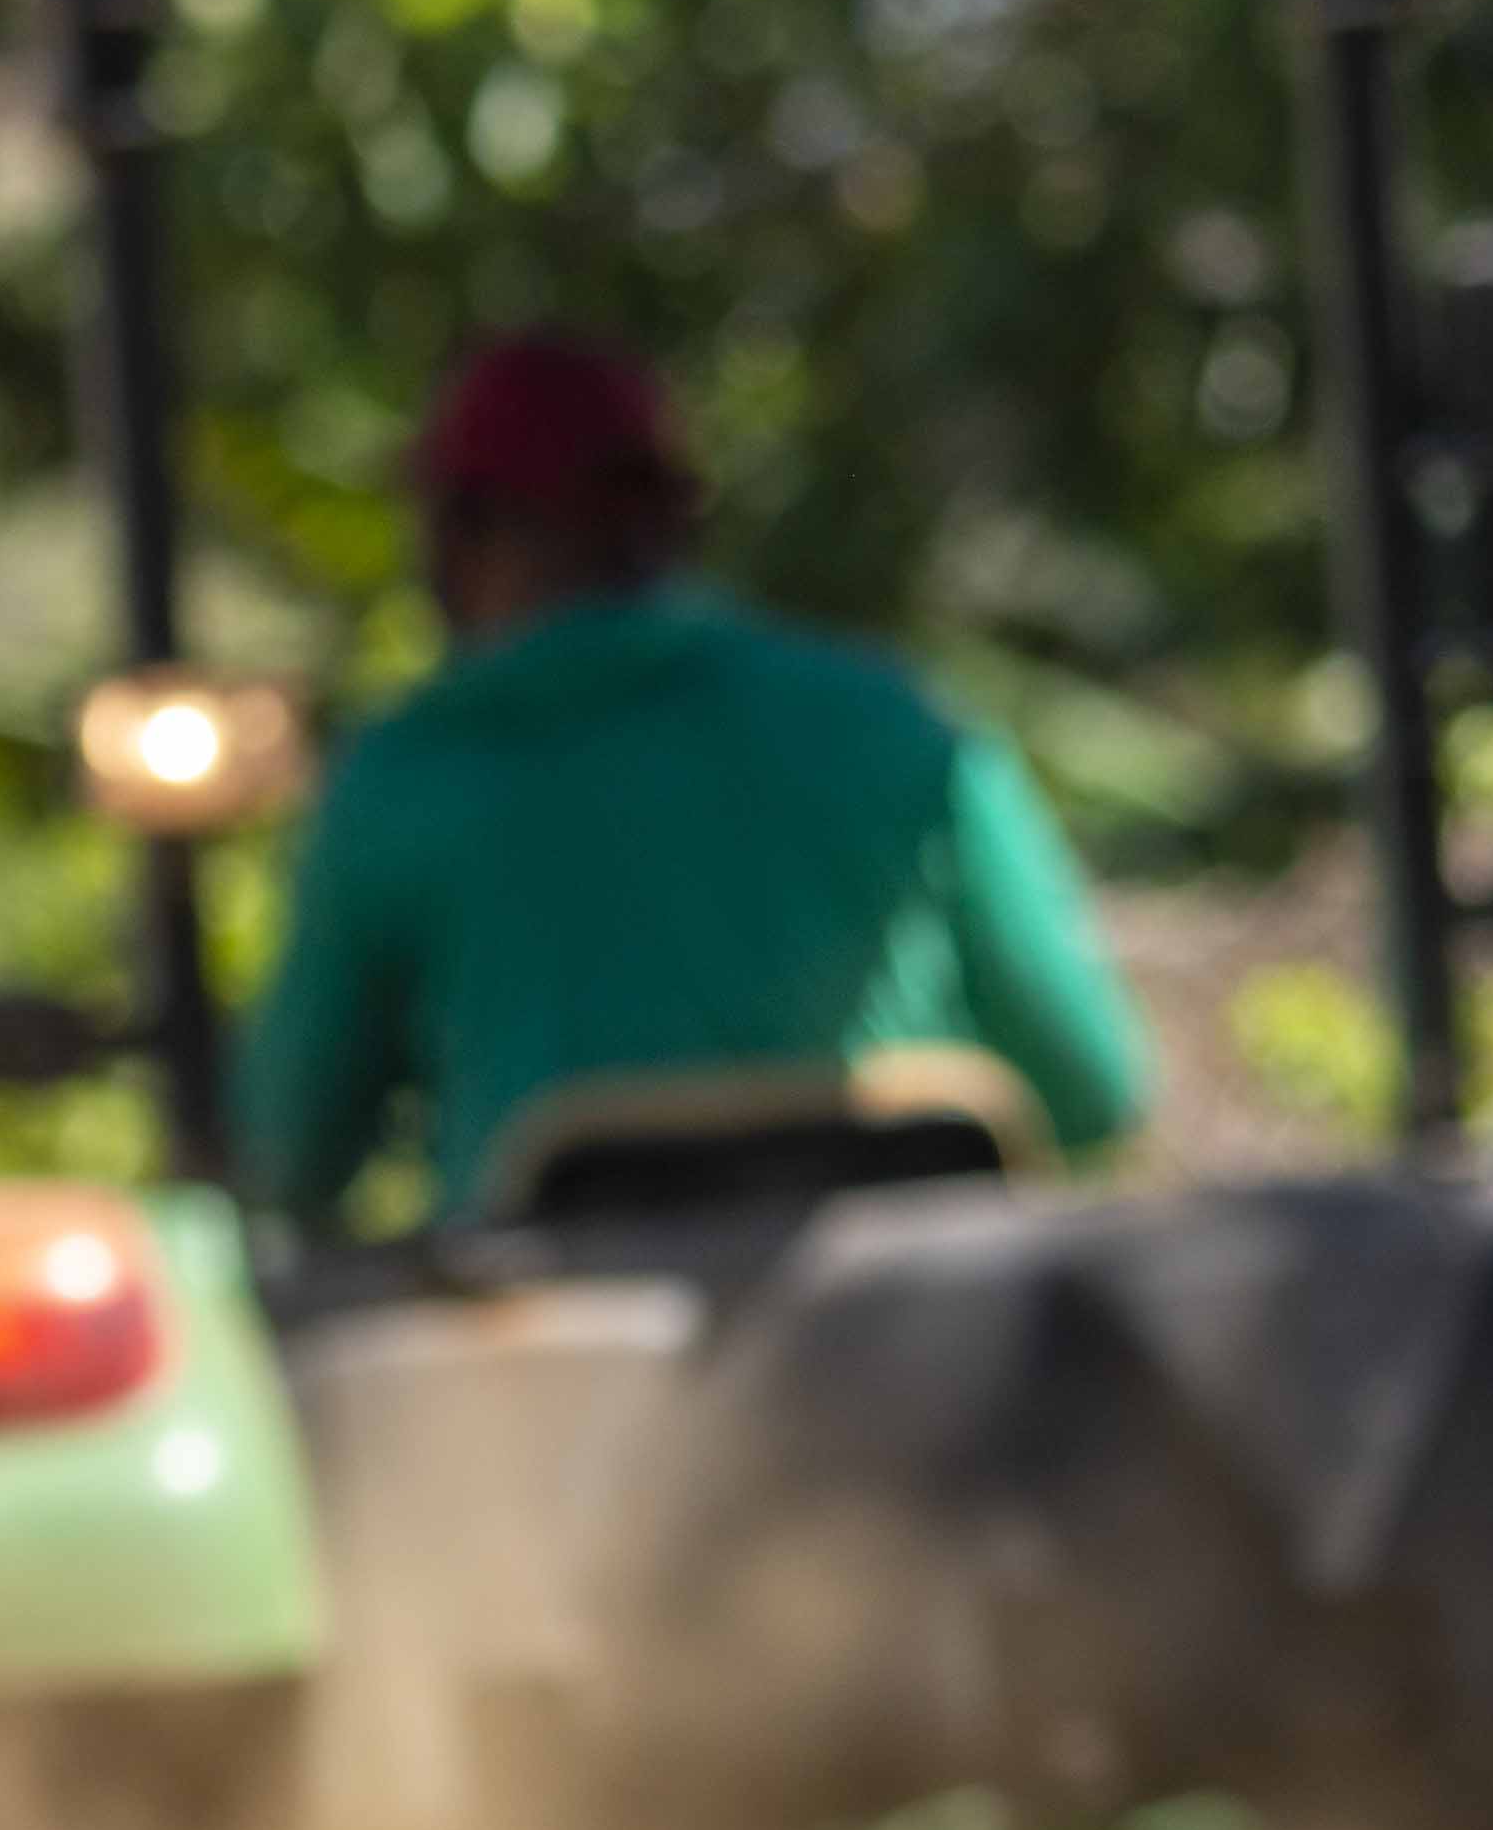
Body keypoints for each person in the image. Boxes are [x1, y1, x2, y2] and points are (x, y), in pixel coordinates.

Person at [236, 330, 1155, 1233]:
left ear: (457, 537)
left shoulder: (405, 775)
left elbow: (290, 1156)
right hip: (910, 1314)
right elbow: (1091, 1093)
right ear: (674, 522)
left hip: (562, 1324)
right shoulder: (901, 725)